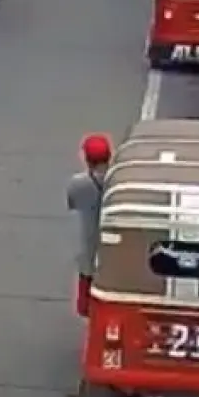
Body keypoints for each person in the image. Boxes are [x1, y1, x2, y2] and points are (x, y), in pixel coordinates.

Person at [66, 133, 113, 318]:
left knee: (88, 307)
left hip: (89, 256)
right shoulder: (119, 181)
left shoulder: (78, 184)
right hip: (114, 256)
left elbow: (73, 203)